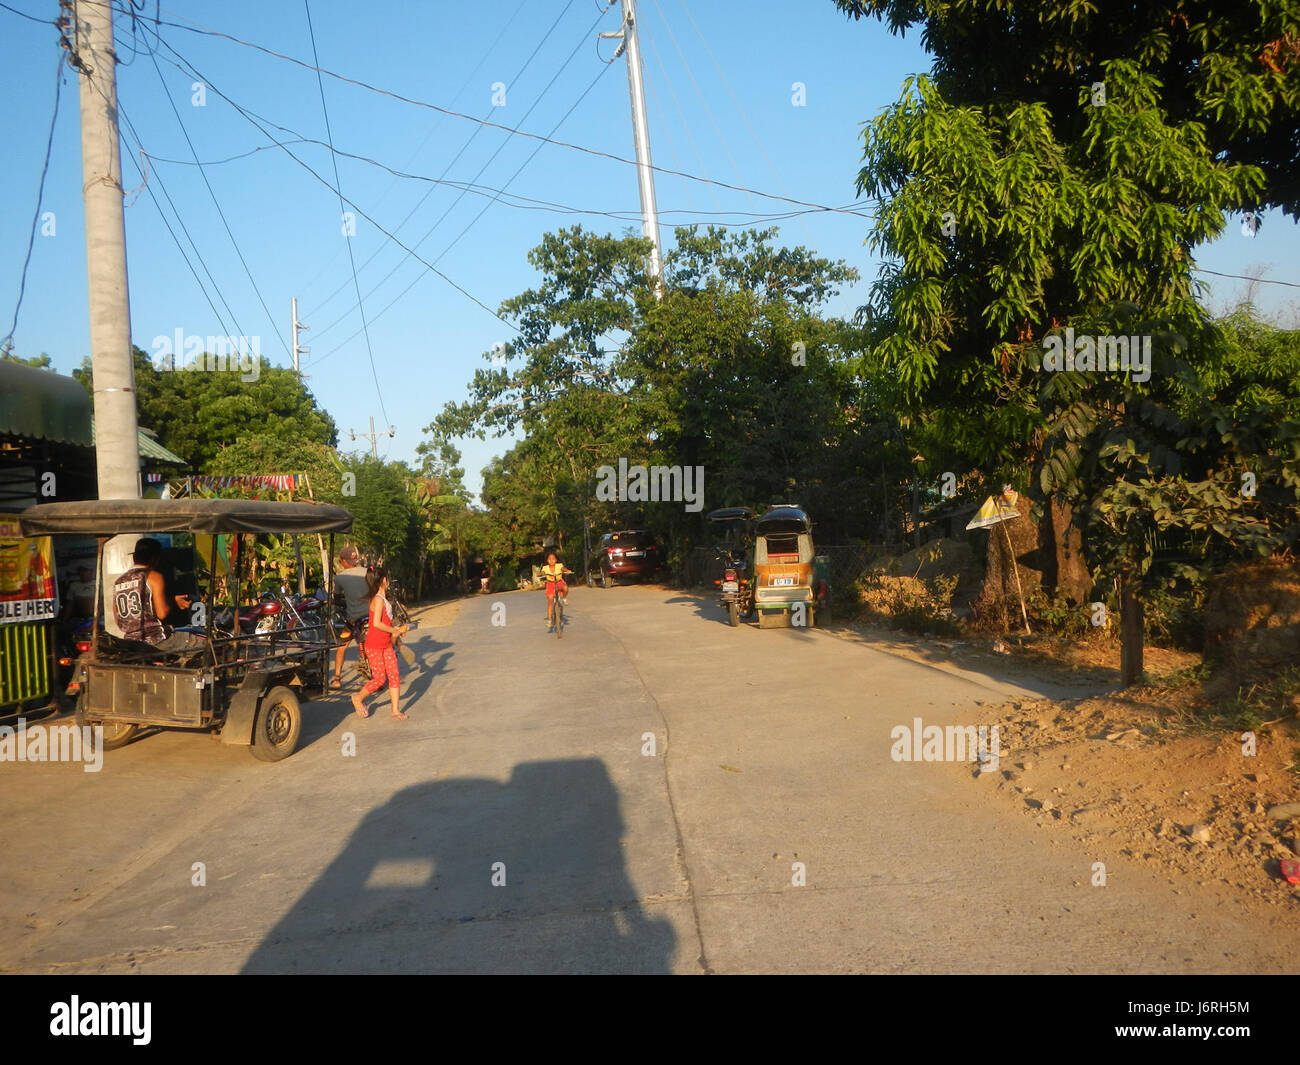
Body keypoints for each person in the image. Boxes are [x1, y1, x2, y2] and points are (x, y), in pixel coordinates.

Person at [111, 538, 205, 652]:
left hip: (131, 642)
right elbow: (162, 613)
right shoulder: (154, 577)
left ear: (134, 556)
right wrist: (173, 602)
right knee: (206, 645)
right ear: (155, 559)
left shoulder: (118, 582)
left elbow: (118, 620)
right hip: (157, 640)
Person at [350, 567, 410, 721]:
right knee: (379, 679)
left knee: (394, 675)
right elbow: (376, 623)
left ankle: (395, 710)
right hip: (374, 645)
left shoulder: (383, 599)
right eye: (387, 578)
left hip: (385, 644)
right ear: (384, 580)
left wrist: (395, 632)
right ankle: (357, 698)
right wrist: (394, 630)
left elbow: (385, 623)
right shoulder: (377, 600)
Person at [331, 545, 369, 689]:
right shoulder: (367, 572)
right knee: (370, 647)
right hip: (370, 618)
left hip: (353, 620)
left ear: (343, 561)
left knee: (341, 647)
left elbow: (337, 597)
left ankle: (336, 679)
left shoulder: (340, 577)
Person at [539, 551, 571, 632]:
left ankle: (564, 598)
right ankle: (549, 620)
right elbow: (542, 572)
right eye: (549, 559)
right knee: (550, 600)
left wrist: (567, 570)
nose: (551, 560)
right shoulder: (545, 568)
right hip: (550, 584)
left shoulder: (559, 566)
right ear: (547, 560)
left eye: (553, 559)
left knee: (566, 588)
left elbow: (563, 569)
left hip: (559, 582)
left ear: (556, 560)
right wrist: (540, 574)